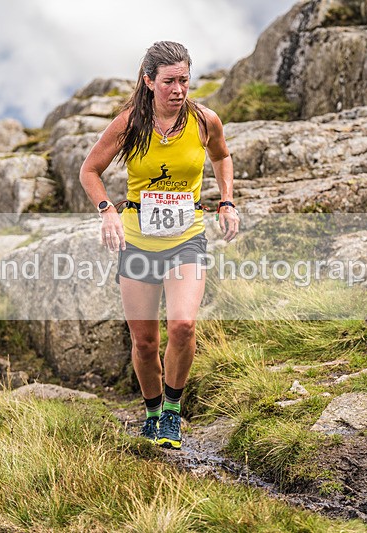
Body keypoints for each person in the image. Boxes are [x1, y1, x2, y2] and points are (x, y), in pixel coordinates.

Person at [79, 41, 239, 449]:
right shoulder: (131, 122)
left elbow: (221, 157)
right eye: (169, 81)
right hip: (137, 241)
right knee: (145, 342)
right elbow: (90, 170)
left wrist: (226, 201)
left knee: (183, 326)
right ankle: (151, 414)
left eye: (184, 80)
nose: (178, 89)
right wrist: (107, 210)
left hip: (186, 238)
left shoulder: (204, 121)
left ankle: (171, 413)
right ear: (149, 81)